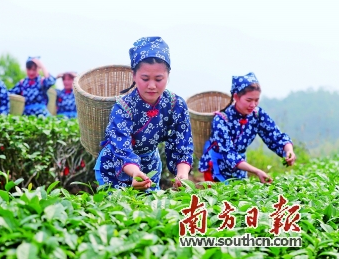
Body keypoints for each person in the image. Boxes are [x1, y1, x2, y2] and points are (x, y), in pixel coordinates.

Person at [94, 36, 194, 191]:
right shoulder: (123, 107)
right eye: (145, 78)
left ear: (168, 75)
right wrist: (134, 172)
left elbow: (182, 143)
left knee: (148, 211)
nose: (152, 86)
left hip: (149, 167)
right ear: (133, 76)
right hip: (115, 167)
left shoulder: (176, 105)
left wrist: (182, 173)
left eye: (159, 79)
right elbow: (121, 146)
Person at [198, 72, 296, 184]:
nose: (253, 105)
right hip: (216, 169)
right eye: (249, 100)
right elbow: (229, 154)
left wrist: (288, 150)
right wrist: (256, 171)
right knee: (219, 199)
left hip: (240, 168)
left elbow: (275, 136)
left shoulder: (257, 115)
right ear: (236, 97)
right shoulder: (221, 119)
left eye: (256, 100)